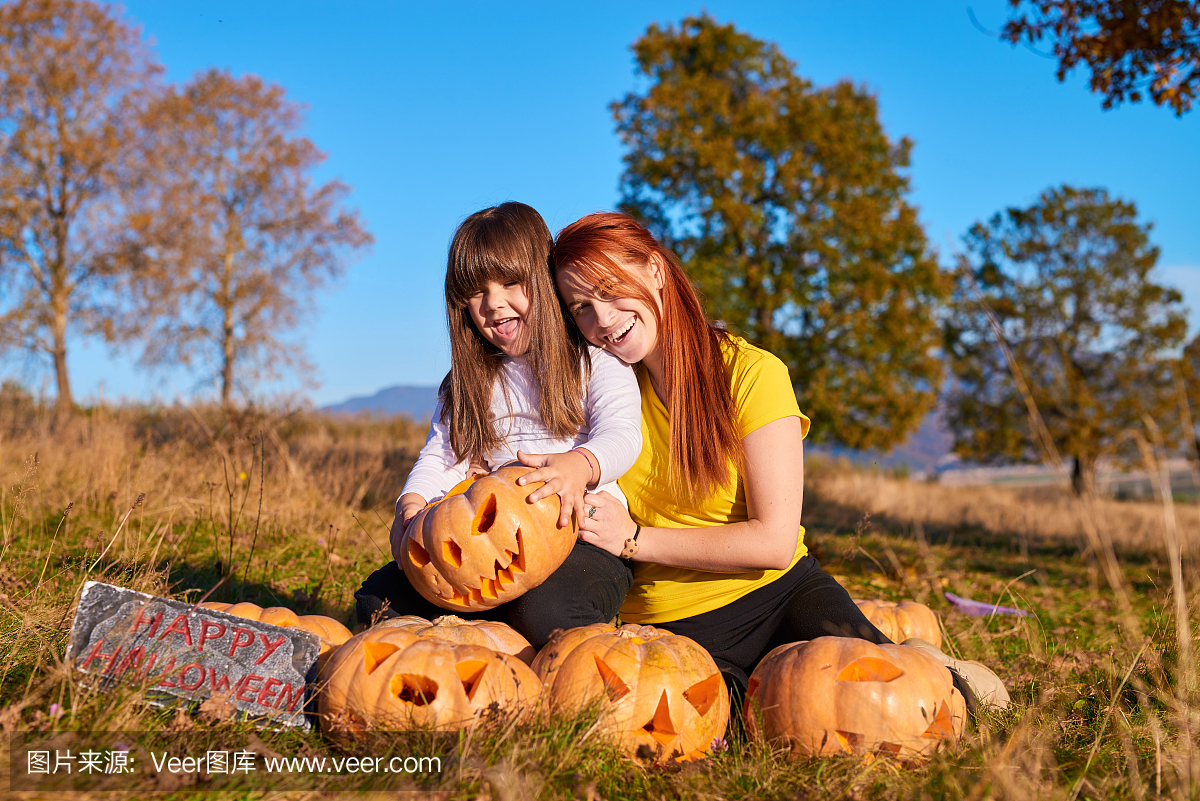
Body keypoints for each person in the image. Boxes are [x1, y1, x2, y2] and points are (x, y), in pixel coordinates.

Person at [550, 211, 895, 694]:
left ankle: (937, 666)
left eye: (611, 289)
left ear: (655, 269)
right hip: (673, 625)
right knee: (733, 727)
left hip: (779, 596)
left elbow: (773, 543)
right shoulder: (602, 396)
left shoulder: (753, 374)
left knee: (893, 698)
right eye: (580, 307)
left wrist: (633, 539)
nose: (602, 319)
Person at [355, 203, 641, 647]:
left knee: (548, 614)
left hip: (581, 536)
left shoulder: (593, 362)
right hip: (485, 544)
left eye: (511, 282)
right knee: (380, 597)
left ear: (544, 282)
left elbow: (622, 434)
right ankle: (486, 652)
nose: (494, 303)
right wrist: (410, 505)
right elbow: (443, 457)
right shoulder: (469, 383)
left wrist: (578, 466)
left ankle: (555, 655)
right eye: (476, 291)